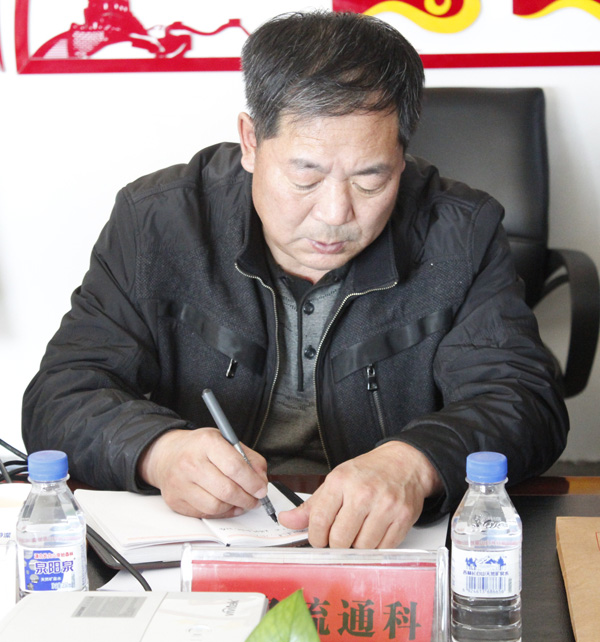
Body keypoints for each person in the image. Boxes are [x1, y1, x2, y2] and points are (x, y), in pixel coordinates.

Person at [22, 10, 568, 549]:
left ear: (402, 156)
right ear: (251, 141)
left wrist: (415, 463)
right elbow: (62, 393)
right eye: (306, 176)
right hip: (206, 544)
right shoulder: (158, 222)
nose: (334, 214)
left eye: (370, 179)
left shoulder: (461, 232)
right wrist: (158, 451)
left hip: (382, 544)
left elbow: (524, 401)